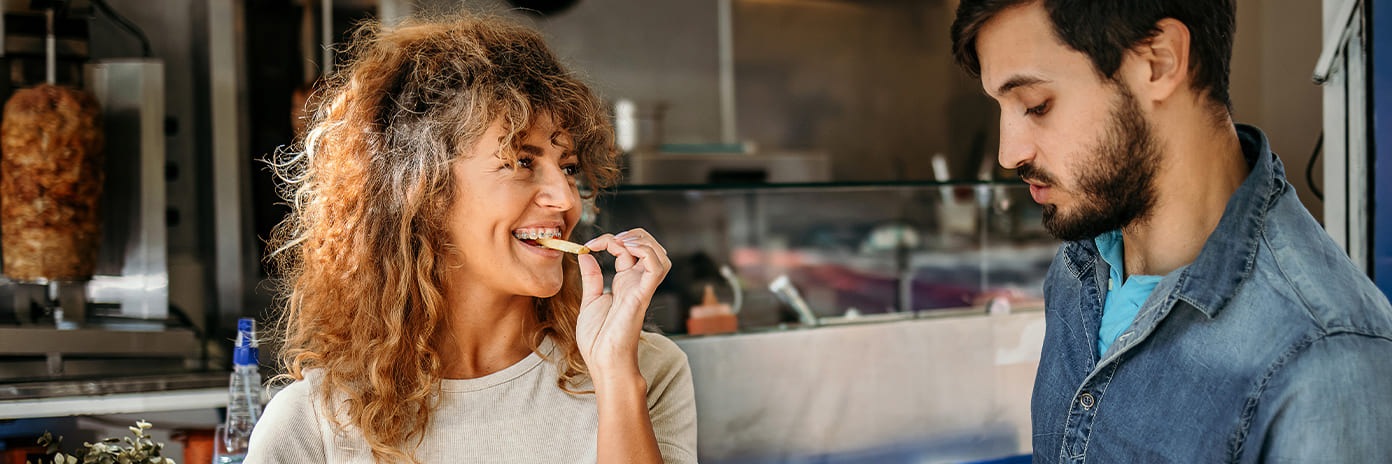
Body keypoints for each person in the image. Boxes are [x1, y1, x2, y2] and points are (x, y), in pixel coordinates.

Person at [951, 1, 1392, 462]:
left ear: (1159, 62)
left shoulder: (1327, 358)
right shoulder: (1080, 264)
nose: (1009, 153)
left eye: (1036, 105)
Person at [245, 14, 696, 464]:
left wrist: (617, 380)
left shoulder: (643, 370)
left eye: (570, 167)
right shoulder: (314, 425)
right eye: (522, 161)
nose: (566, 198)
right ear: (424, 191)